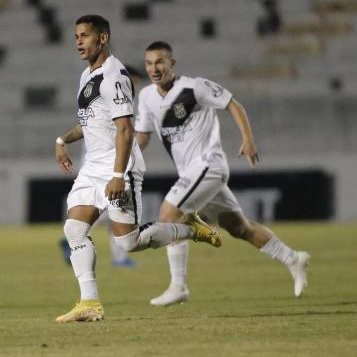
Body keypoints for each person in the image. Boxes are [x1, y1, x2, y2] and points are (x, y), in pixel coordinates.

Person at [53, 16, 221, 323]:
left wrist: (118, 175)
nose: (78, 41)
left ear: (103, 38)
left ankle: (191, 229)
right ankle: (89, 303)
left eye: (85, 36)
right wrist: (63, 138)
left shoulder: (115, 75)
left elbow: (126, 129)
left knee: (128, 243)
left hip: (119, 167)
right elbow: (91, 123)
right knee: (74, 229)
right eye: (76, 36)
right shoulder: (86, 75)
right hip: (92, 168)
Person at [134, 42, 310, 306]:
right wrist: (125, 154)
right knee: (240, 228)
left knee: (168, 214)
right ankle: (294, 259)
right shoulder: (146, 97)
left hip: (208, 165)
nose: (154, 68)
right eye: (149, 63)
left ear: (172, 63)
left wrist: (248, 139)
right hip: (194, 174)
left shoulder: (195, 87)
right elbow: (143, 136)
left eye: (160, 61)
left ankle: (178, 285)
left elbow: (233, 104)